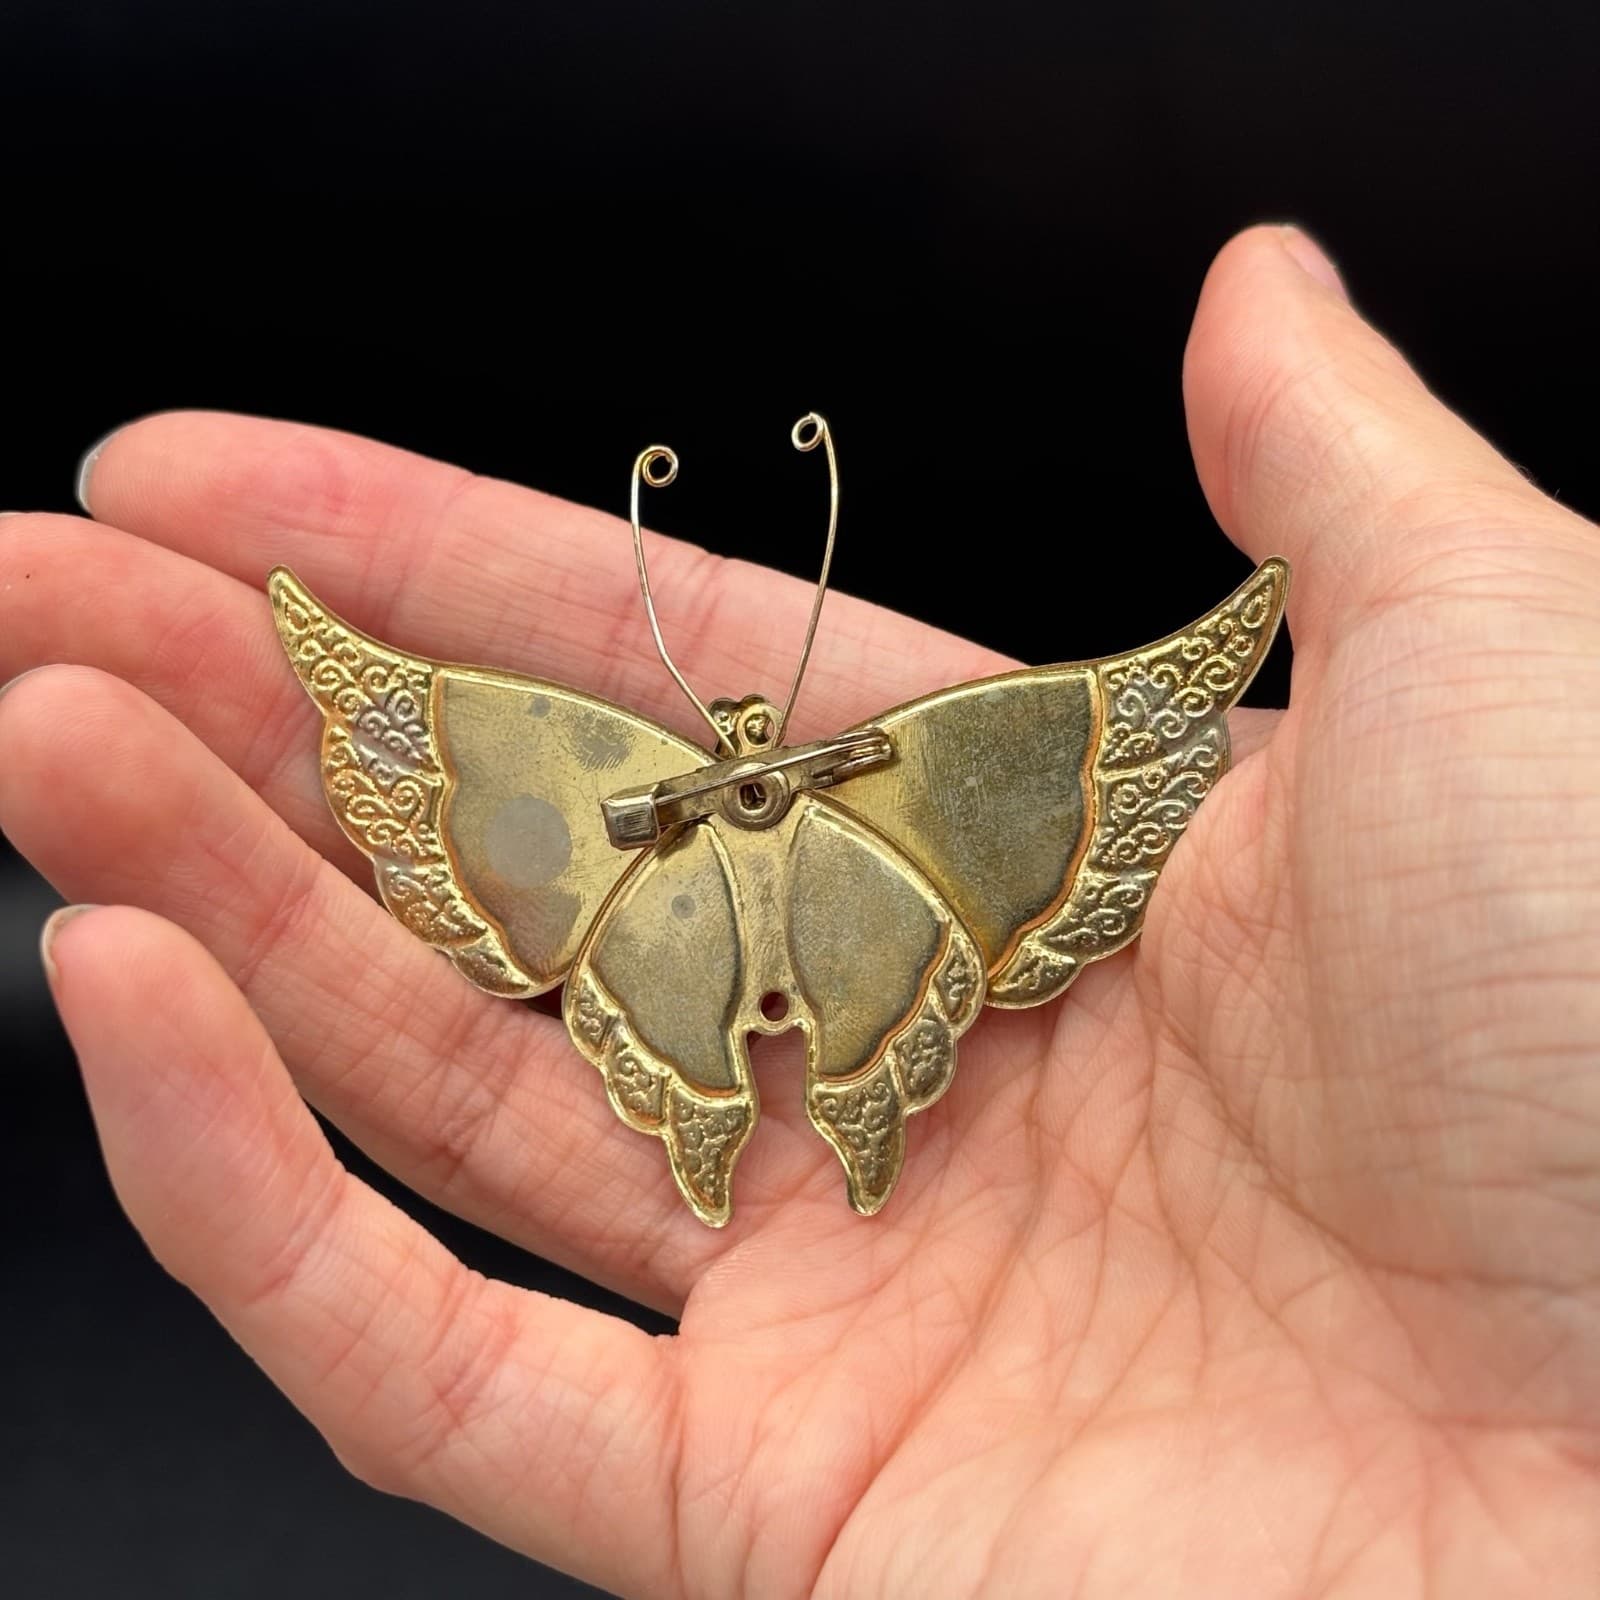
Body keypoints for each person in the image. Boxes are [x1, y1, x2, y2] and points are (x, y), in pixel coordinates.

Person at [2, 225, 1595, 1597]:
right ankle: (731, 1107)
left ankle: (840, 1102)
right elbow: (407, 724)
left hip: (824, 913)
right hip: (679, 922)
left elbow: (1115, 728)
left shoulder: (896, 767)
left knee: (865, 940)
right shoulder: (700, 774)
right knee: (730, 980)